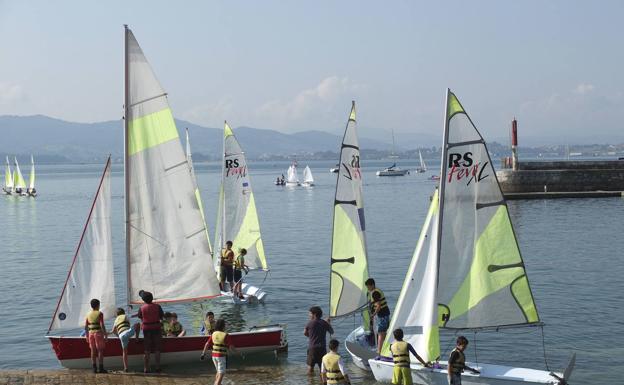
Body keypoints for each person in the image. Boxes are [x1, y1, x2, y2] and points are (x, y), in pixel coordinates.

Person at [201, 319, 237, 385]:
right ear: (223, 326)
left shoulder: (213, 334)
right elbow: (231, 347)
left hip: (214, 356)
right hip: (221, 357)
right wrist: (237, 352)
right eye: (225, 325)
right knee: (221, 374)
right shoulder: (225, 335)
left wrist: (203, 354)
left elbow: (207, 344)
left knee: (218, 372)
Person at [137, 291, 164, 373]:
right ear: (152, 298)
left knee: (147, 350)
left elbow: (140, 316)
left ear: (143, 300)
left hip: (146, 329)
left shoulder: (141, 308)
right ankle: (157, 367)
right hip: (156, 328)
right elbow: (161, 316)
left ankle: (146, 368)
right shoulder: (157, 306)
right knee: (157, 349)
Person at [304, 306, 334, 377]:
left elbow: (305, 333)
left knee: (310, 367)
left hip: (312, 348)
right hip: (322, 348)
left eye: (310, 314)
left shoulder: (310, 323)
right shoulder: (324, 323)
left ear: (314, 314)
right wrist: (328, 323)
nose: (309, 315)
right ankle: (322, 381)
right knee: (322, 368)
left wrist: (311, 337)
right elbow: (331, 332)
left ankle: (311, 381)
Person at [365, 278, 391, 354]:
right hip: (386, 313)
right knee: (384, 332)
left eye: (368, 287)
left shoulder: (375, 293)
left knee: (380, 333)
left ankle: (379, 351)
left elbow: (378, 306)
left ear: (372, 285)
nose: (368, 288)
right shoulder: (377, 290)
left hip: (382, 315)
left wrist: (373, 314)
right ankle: (385, 348)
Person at [84, 298, 108, 373]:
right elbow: (102, 324)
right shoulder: (100, 313)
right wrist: (105, 334)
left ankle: (94, 368)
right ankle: (101, 368)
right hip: (98, 333)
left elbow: (86, 326)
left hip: (91, 334)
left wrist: (87, 336)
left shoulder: (88, 314)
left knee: (93, 351)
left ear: (91, 306)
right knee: (100, 351)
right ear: (98, 305)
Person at [111, 308, 134, 372]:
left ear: (117, 314)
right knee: (137, 325)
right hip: (127, 333)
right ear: (123, 313)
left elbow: (113, 331)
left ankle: (125, 367)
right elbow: (129, 324)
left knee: (124, 352)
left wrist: (119, 337)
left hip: (121, 336)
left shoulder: (116, 319)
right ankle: (137, 338)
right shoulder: (126, 316)